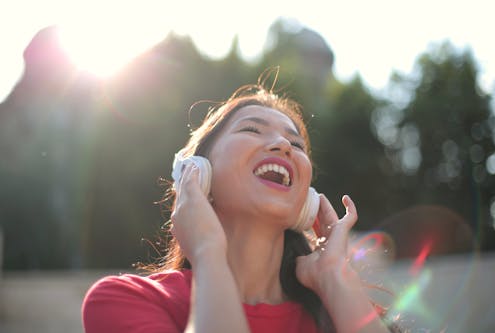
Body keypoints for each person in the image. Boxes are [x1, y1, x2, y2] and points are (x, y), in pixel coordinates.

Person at [82, 77, 398, 333]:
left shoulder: (343, 310)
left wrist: (335, 276)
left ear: (306, 202)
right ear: (199, 174)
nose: (284, 145)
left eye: (297, 144)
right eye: (251, 129)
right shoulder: (125, 301)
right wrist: (207, 251)